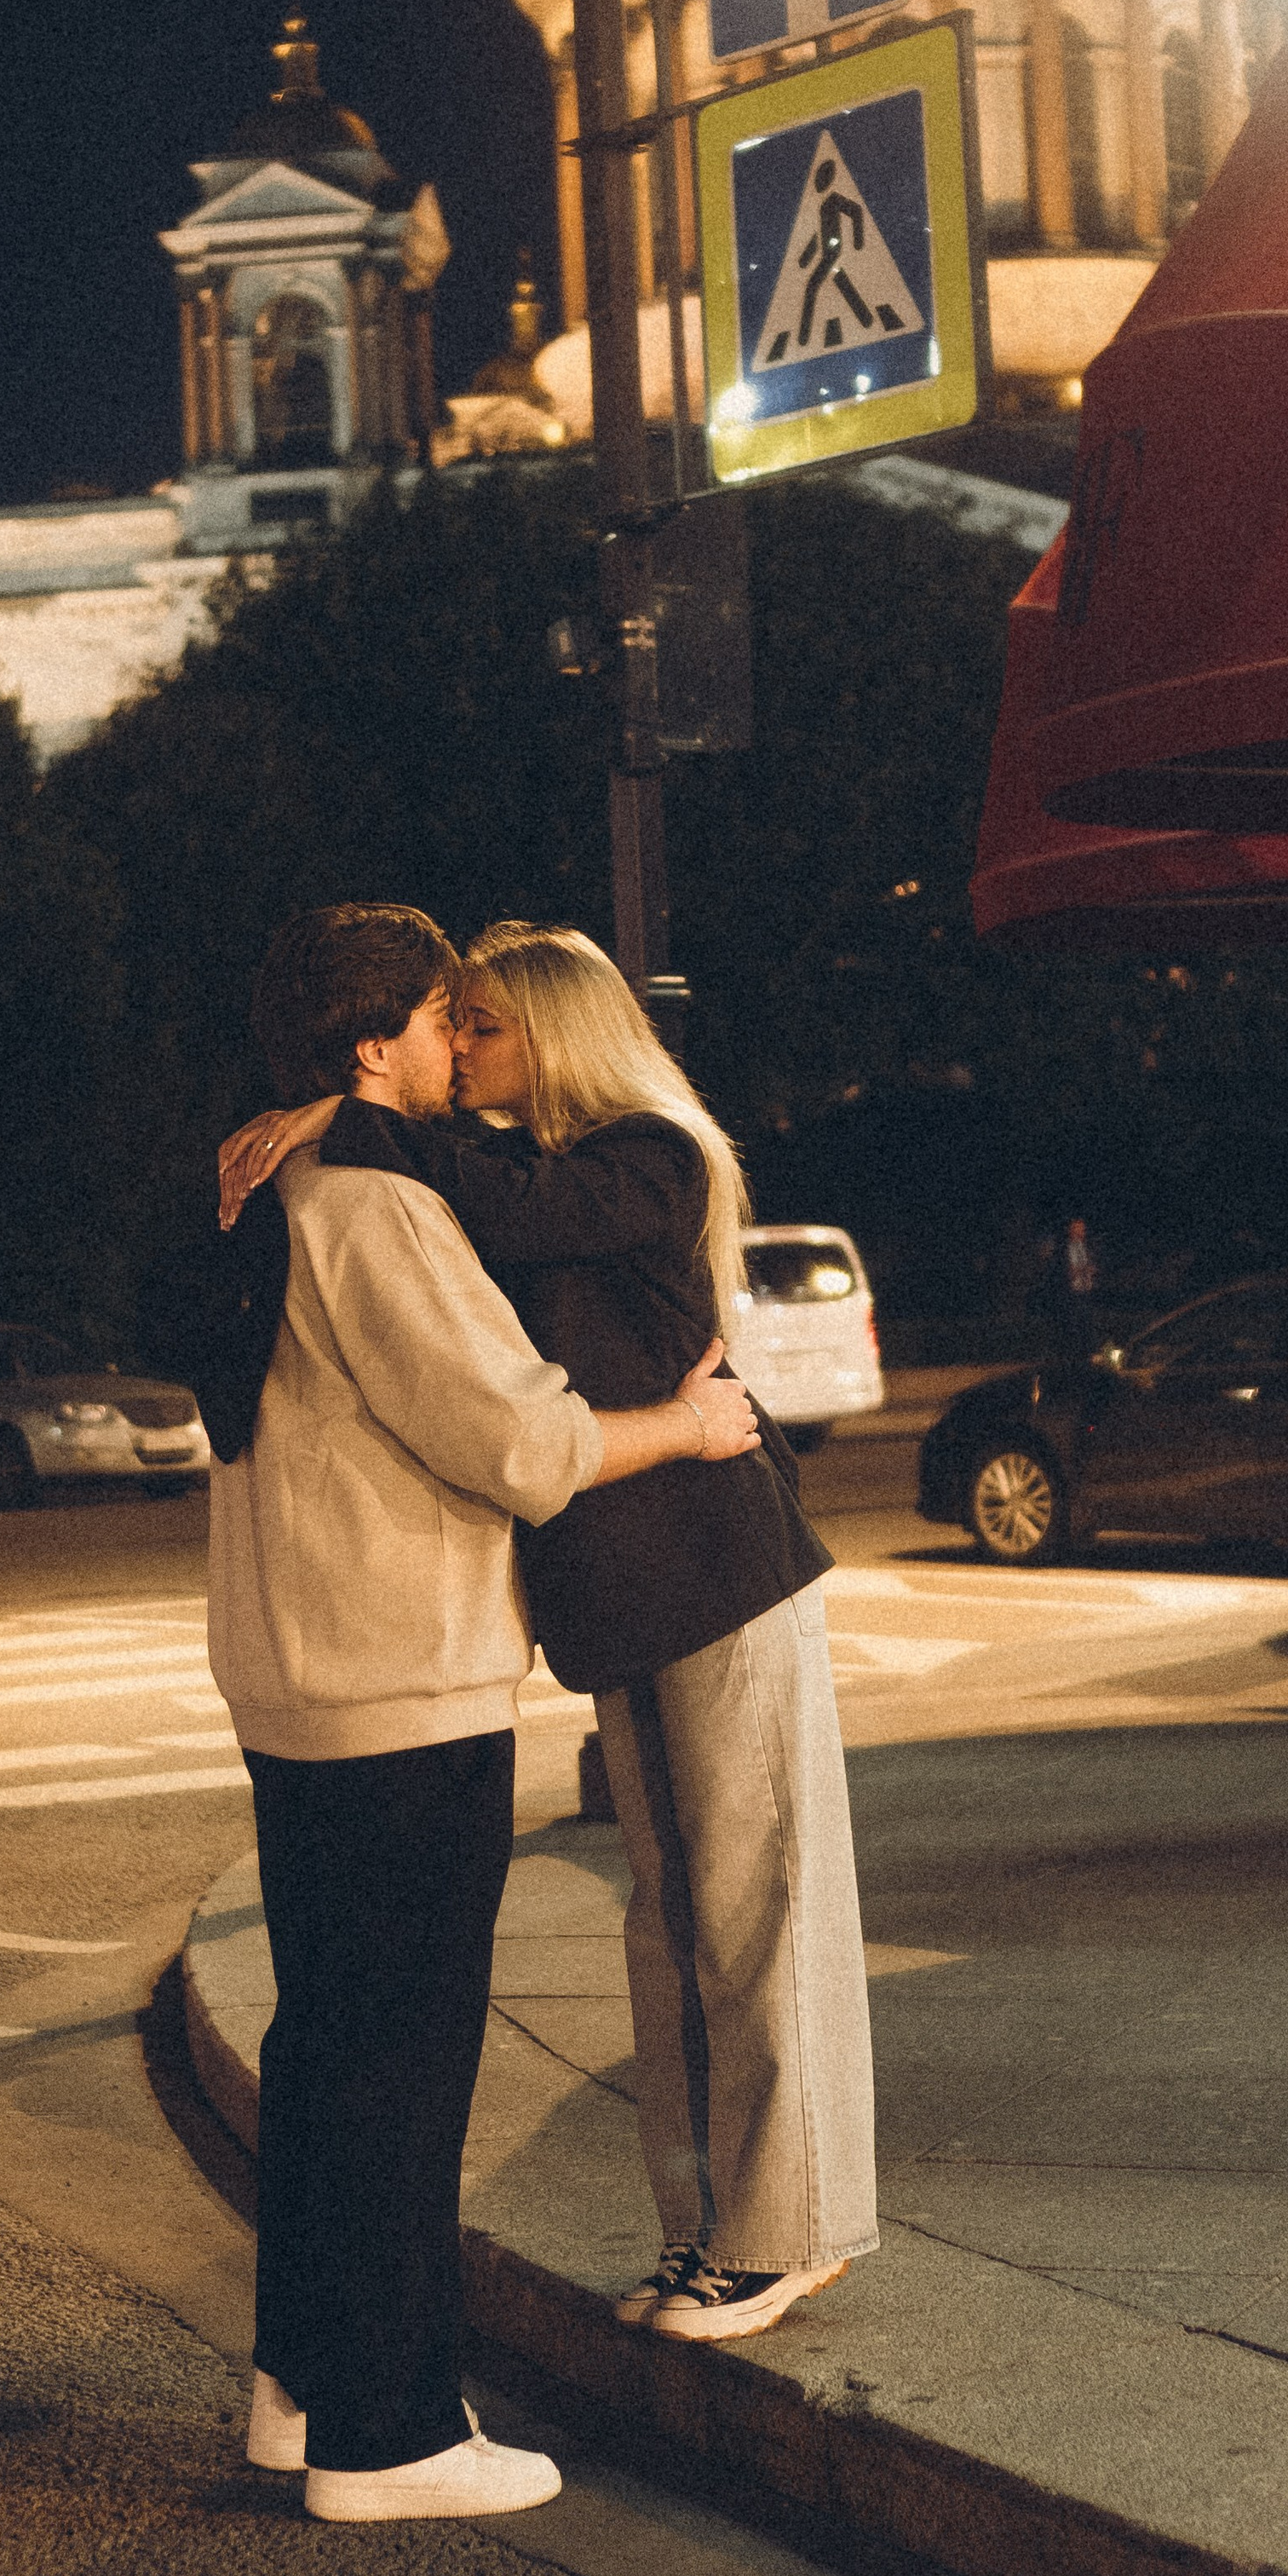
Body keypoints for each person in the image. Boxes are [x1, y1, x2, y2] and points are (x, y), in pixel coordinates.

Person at [221, 921, 877, 2345]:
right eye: (449, 1027)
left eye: (486, 1029)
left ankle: (789, 2231)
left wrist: (343, 1110)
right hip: (624, 1593)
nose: (462, 1051)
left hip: (721, 1572)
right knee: (678, 1923)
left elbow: (512, 1222)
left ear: (560, 1035)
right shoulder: (500, 1170)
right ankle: (712, 2230)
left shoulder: (651, 1153)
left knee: (753, 1915)